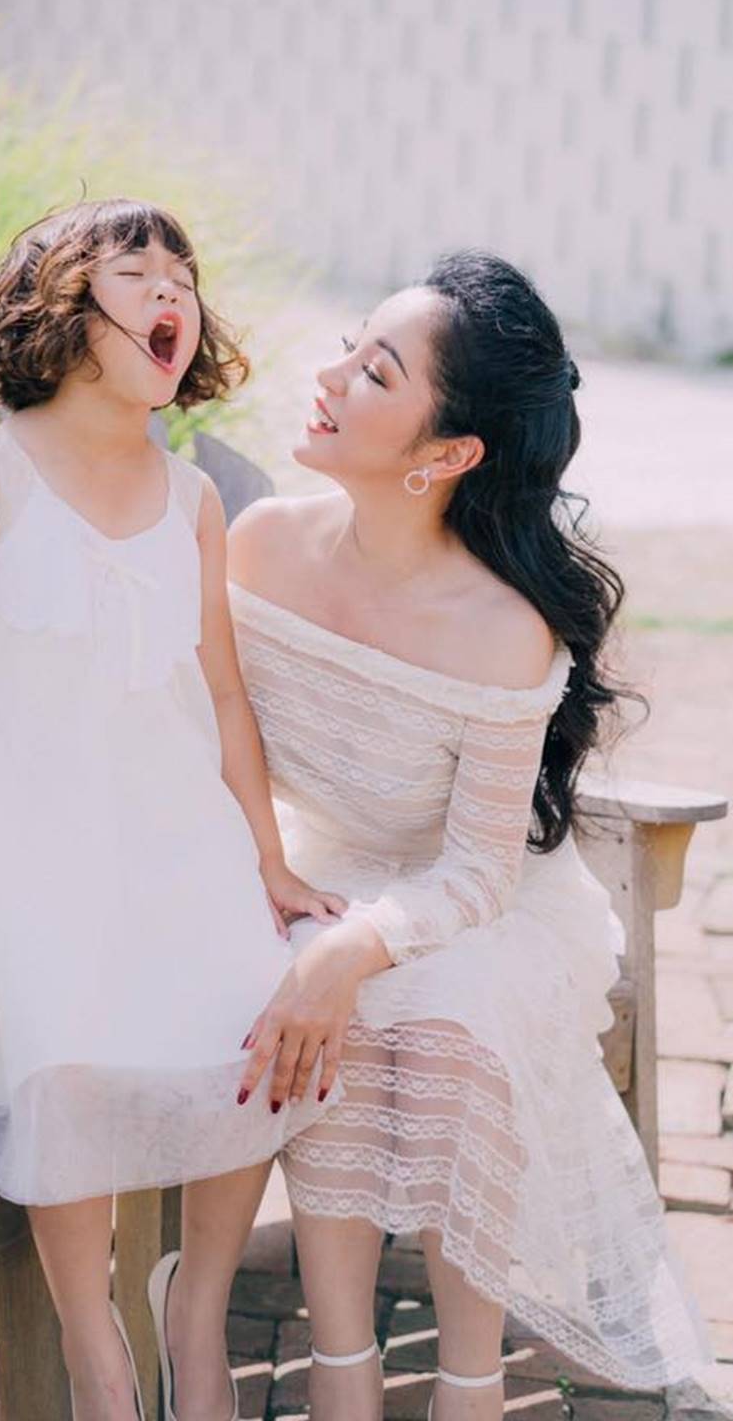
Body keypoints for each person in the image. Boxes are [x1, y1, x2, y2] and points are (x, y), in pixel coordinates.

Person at [0, 198, 347, 1421]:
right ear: (59, 310)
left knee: (259, 1015)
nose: (171, 289)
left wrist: (267, 860)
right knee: (61, 1049)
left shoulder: (193, 500)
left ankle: (193, 1309)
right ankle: (93, 1345)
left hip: (176, 841)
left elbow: (221, 697)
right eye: (136, 271)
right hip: (29, 858)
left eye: (184, 273)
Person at [226, 250, 713, 1420]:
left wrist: (353, 949)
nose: (329, 377)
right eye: (348, 347)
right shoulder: (258, 547)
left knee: (450, 1011)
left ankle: (467, 1381)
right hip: (305, 866)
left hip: (469, 898)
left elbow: (481, 871)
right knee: (322, 1001)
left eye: (374, 372)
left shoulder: (501, 628)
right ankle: (339, 1372)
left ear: (445, 455)